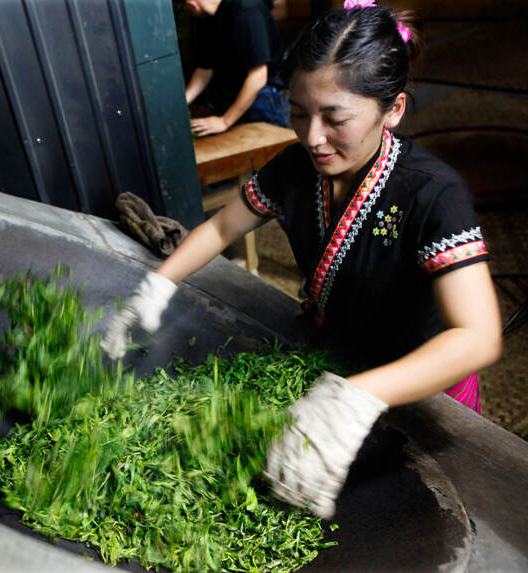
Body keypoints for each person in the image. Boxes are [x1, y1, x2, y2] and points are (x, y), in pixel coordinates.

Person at [103, 1, 502, 519]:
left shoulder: (432, 195)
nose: (312, 137)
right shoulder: (296, 169)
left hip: (420, 391)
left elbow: (477, 337)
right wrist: (157, 284)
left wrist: (358, 397)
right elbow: (223, 226)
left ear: (394, 109)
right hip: (338, 362)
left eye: (335, 119)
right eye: (298, 112)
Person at [180, 0, 290, 134]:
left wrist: (225, 121)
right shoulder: (206, 19)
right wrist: (182, 102)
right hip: (235, 100)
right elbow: (205, 69)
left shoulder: (247, 10)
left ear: (191, 3)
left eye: (182, 7)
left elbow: (258, 76)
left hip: (265, 100)